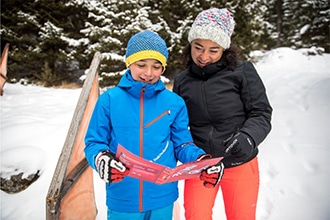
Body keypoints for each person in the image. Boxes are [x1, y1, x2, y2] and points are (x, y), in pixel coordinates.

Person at [84, 30, 220, 220]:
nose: (148, 73)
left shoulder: (174, 103)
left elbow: (182, 144)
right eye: (141, 65)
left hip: (162, 198)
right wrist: (101, 158)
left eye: (156, 66)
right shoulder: (109, 100)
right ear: (129, 63)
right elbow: (94, 142)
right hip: (123, 198)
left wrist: (200, 160)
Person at [173, 8, 273, 220]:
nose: (203, 56)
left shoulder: (242, 71)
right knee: (195, 216)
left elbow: (261, 112)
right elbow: (178, 125)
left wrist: (248, 137)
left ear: (224, 50)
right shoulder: (182, 81)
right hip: (201, 165)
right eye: (198, 47)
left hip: (239, 162)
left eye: (213, 50)